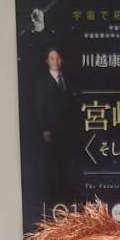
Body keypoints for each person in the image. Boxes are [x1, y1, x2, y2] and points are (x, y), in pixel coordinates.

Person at [35, 47, 77, 207]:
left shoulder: (66, 80)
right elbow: (39, 108)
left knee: (64, 162)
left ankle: (65, 191)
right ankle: (52, 196)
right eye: (52, 58)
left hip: (66, 129)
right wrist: (45, 129)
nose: (56, 61)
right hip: (52, 130)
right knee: (51, 162)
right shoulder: (43, 83)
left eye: (58, 58)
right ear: (47, 61)